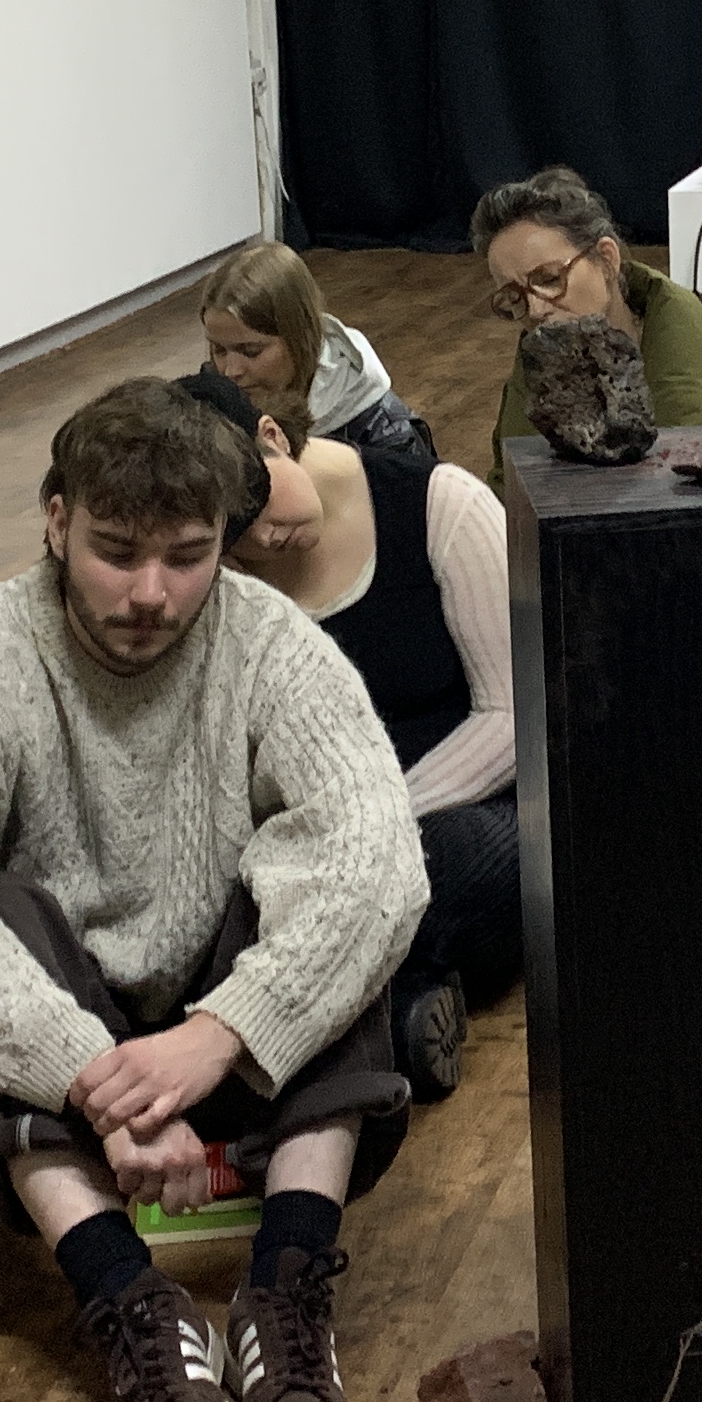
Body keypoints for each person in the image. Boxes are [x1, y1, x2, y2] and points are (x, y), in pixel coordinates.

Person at [0, 377, 425, 1402]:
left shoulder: (274, 645)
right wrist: (94, 1080)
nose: (150, 593)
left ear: (226, 538)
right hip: (69, 1042)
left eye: (185, 555)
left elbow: (378, 865)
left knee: (343, 913)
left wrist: (219, 1036)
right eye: (117, 551)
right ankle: (127, 1297)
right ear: (55, 519)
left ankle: (284, 1288)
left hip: (212, 1021)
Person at [215, 373, 514, 1103]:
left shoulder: (440, 504)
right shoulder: (212, 576)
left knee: (482, 861)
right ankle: (387, 1012)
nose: (261, 538)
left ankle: (312, 1023)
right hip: (300, 841)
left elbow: (510, 715)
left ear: (274, 437)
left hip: (443, 808)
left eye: (259, 503)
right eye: (231, 536)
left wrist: (372, 818)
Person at [473, 162, 702, 475]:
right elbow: (504, 503)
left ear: (606, 259)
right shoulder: (524, 390)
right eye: (513, 299)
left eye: (548, 279)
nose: (535, 309)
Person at [201, 240, 438, 467]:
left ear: (300, 338)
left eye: (251, 351)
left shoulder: (385, 436)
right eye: (218, 350)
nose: (231, 371)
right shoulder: (205, 401)